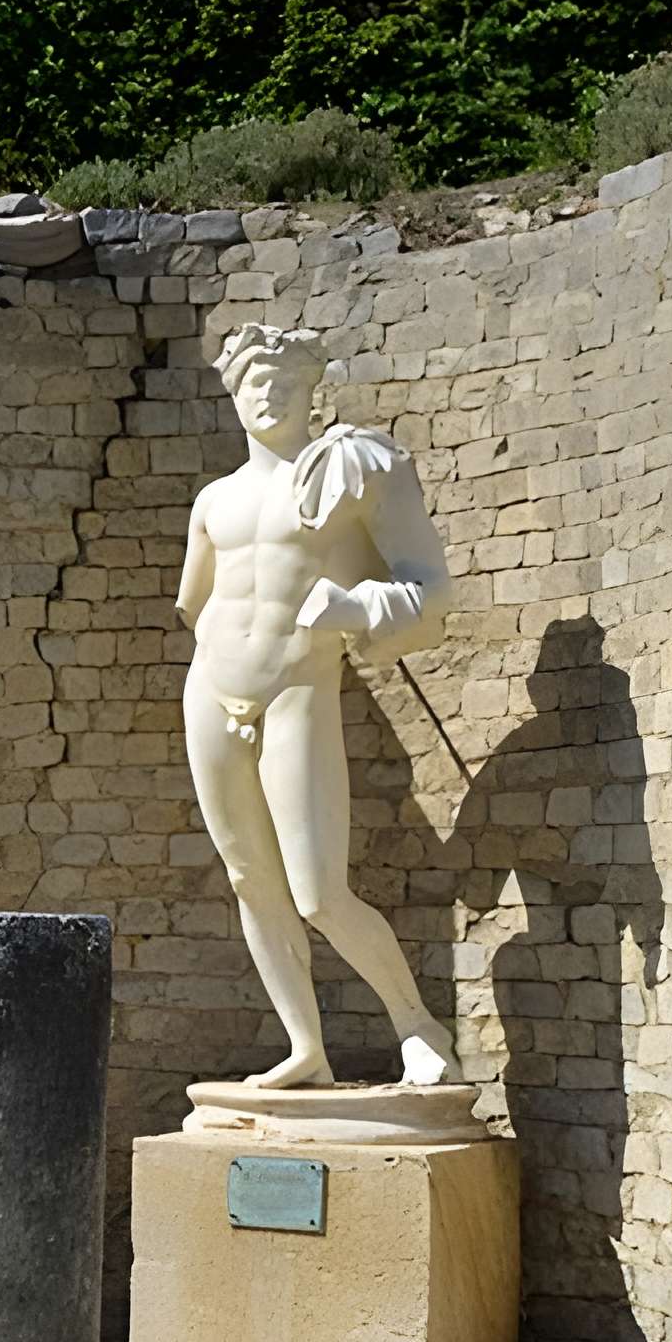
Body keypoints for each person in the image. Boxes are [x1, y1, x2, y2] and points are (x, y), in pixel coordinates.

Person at [176, 322, 458, 1088]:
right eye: (251, 382)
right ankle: (306, 1048)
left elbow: (431, 595)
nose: (267, 394)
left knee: (319, 892)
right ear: (230, 395)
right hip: (210, 691)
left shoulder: (351, 472)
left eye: (285, 381)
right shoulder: (212, 501)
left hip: (298, 686)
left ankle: (416, 1024)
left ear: (313, 389)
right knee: (248, 881)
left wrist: (353, 609)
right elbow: (193, 605)